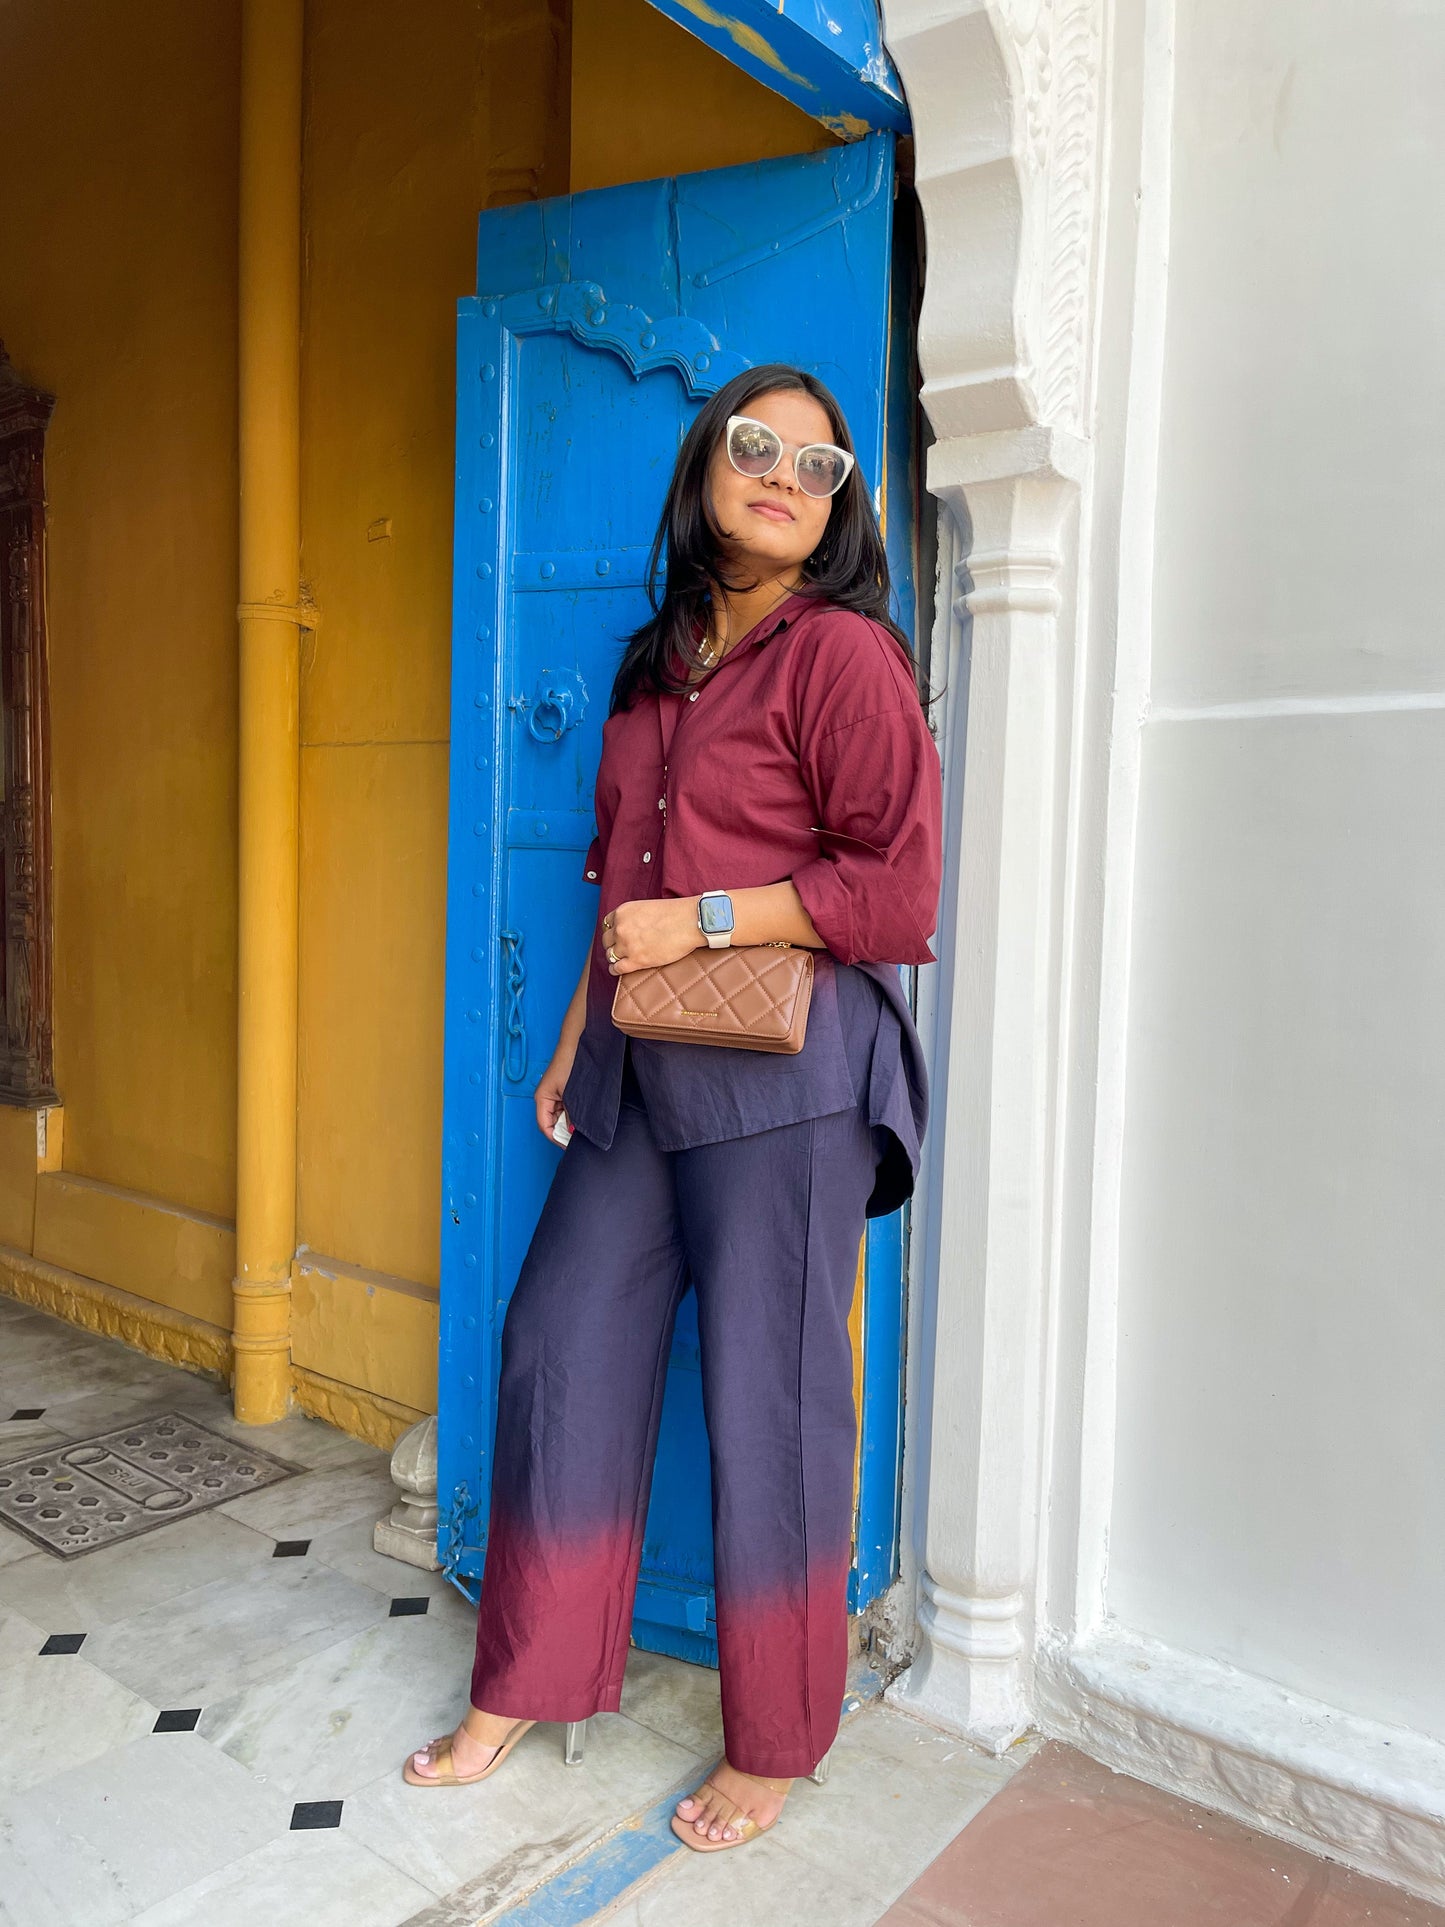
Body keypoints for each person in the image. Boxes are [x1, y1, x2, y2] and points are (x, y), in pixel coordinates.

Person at [405, 364, 944, 1855]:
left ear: (836, 511)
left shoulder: (843, 659)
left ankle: (775, 1735)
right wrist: (581, 1041)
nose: (781, 476)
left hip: (789, 1079)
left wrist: (709, 919)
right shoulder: (656, 663)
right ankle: (528, 1673)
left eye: (817, 467)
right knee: (556, 1346)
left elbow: (896, 896)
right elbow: (617, 882)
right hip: (642, 1070)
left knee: (772, 1399)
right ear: (707, 461)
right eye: (754, 447)